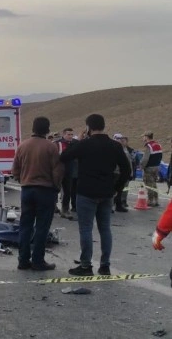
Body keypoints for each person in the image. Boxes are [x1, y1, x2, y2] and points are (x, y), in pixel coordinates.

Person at [61, 114, 131, 276]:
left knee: (86, 229)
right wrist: (117, 189)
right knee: (105, 229)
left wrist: (79, 140)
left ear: (88, 127)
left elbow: (64, 156)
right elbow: (126, 170)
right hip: (107, 192)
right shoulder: (115, 145)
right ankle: (105, 265)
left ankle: (86, 265)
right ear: (103, 126)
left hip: (86, 192)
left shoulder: (84, 144)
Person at [12, 116, 64, 271]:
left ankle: (23, 260)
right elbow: (57, 171)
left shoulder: (22, 146)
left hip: (27, 190)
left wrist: (23, 180)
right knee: (42, 226)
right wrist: (56, 187)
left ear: (33, 128)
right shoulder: (51, 147)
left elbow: (15, 170)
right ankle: (38, 260)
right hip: (45, 190)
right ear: (47, 129)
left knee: (25, 225)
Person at [54, 128, 79, 219]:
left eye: (72, 134)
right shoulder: (58, 144)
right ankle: (53, 206)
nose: (70, 136)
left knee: (68, 191)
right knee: (55, 189)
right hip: (58, 171)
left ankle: (65, 209)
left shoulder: (75, 143)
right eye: (68, 134)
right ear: (64, 134)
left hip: (69, 171)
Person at [140, 131, 164, 207]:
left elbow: (145, 159)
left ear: (147, 137)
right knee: (154, 184)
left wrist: (141, 166)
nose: (143, 138)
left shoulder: (148, 146)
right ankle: (156, 200)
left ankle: (151, 201)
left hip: (149, 168)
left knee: (149, 185)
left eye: (144, 136)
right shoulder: (158, 145)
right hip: (156, 167)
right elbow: (160, 155)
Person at [112, 134, 134, 211]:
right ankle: (111, 205)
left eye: (121, 139)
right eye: (119, 139)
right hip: (115, 172)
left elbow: (129, 162)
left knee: (120, 190)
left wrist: (130, 173)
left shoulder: (125, 149)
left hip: (122, 172)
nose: (120, 141)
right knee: (113, 190)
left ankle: (118, 205)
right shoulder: (113, 148)